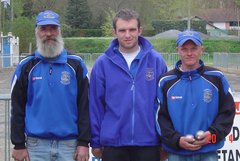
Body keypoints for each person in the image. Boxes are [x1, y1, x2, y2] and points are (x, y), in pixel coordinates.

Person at [10, 10, 90, 161]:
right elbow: (16, 108)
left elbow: (85, 106)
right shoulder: (26, 66)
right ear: (37, 32)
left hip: (70, 146)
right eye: (43, 29)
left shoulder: (76, 64)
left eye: (53, 28)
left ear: (59, 31)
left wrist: (84, 142)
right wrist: (18, 144)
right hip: (35, 147)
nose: (48, 33)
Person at [89, 8, 167, 161]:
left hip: (149, 143)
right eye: (122, 30)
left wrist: (165, 141)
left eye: (132, 29)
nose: (127, 35)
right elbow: (95, 106)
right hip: (113, 144)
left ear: (140, 30)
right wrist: (96, 141)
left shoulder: (156, 61)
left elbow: (165, 106)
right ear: (114, 32)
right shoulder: (102, 64)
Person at [156, 30, 235, 161]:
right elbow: (160, 118)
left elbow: (227, 112)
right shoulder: (165, 81)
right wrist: (176, 140)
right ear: (178, 50)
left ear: (201, 49)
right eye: (184, 49)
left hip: (208, 152)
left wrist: (212, 135)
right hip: (177, 153)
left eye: (194, 48)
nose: (189, 53)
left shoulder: (216, 77)